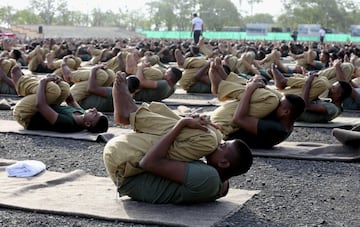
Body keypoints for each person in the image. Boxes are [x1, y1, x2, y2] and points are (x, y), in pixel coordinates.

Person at [103, 72, 253, 204]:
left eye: (222, 146)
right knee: (206, 133)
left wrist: (182, 124)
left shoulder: (209, 177)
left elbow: (148, 162)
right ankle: (132, 112)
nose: (219, 144)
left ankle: (131, 112)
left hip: (124, 168)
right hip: (128, 164)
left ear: (224, 163)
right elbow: (224, 186)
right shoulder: (219, 181)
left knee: (206, 137)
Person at [209, 58, 305, 149]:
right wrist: (259, 83)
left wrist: (249, 90)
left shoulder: (274, 130)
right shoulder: (287, 121)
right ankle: (226, 81)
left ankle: (222, 86)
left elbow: (238, 119)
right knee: (274, 96)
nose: (278, 105)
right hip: (226, 120)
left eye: (280, 105)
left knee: (271, 100)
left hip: (223, 128)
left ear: (286, 112)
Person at [11, 66, 108, 133]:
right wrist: (59, 81)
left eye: (95, 114)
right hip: (37, 109)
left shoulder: (67, 124)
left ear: (87, 124)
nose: (94, 109)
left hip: (26, 114)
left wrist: (43, 81)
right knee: (64, 87)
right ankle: (25, 84)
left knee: (52, 90)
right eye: (97, 111)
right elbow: (70, 100)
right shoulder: (81, 114)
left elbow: (40, 105)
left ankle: (21, 82)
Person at [271, 60, 352, 123]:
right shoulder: (331, 103)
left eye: (333, 88)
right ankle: (284, 82)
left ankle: (284, 82)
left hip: (290, 110)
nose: (330, 88)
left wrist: (309, 82)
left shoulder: (333, 108)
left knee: (322, 84)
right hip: (291, 107)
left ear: (339, 95)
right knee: (321, 82)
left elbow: (305, 105)